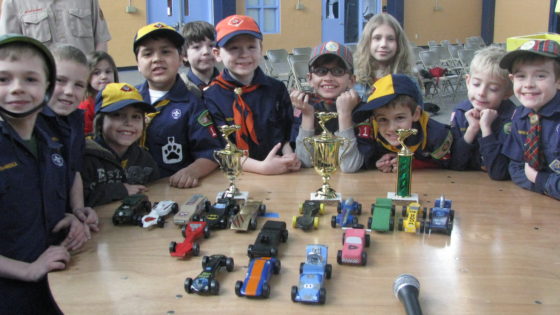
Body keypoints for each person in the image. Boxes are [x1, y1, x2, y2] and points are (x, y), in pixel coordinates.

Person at [0, 34, 86, 314]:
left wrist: (71, 217)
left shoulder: (50, 143)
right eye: (3, 79)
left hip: (52, 287)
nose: (16, 89)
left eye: (30, 79)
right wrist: (27, 270)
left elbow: (43, 199)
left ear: (46, 87)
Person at [204, 14, 301, 175]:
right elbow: (219, 148)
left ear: (261, 49)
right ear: (217, 54)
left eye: (251, 47)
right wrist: (261, 168)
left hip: (279, 170)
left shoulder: (276, 88)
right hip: (234, 175)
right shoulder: (211, 96)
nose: (244, 54)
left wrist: (289, 156)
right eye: (234, 48)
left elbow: (285, 130)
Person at [133, 22, 222, 188]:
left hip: (172, 187)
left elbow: (211, 151)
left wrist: (191, 171)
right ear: (137, 63)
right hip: (129, 188)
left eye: (165, 52)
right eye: (147, 53)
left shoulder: (192, 103)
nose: (157, 59)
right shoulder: (129, 101)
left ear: (181, 58)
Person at [41, 44, 99, 234]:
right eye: (60, 81)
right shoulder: (31, 123)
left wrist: (78, 211)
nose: (69, 91)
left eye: (78, 85)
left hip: (65, 223)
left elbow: (74, 171)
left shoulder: (75, 120)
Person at [353, 74, 453, 172]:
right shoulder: (372, 131)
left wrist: (415, 164)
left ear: (415, 114)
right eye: (383, 119)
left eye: (400, 117)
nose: (391, 128)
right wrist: (379, 162)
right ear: (373, 118)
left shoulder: (436, 135)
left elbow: (451, 165)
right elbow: (366, 160)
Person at [500, 39, 560, 200]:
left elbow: (529, 174)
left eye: (540, 76)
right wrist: (543, 187)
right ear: (512, 80)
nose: (528, 84)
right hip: (540, 202)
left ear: (558, 80)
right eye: (521, 76)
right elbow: (516, 168)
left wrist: (538, 179)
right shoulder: (520, 116)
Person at [82, 82, 159, 207]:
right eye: (117, 115)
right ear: (100, 121)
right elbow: (79, 200)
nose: (128, 123)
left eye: (136, 116)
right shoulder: (87, 156)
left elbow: (155, 192)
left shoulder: (144, 158)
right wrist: (120, 190)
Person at [291, 41, 363, 172]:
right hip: (310, 185)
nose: (328, 78)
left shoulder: (362, 111)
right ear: (310, 79)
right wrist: (307, 115)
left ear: (352, 80)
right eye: (320, 71)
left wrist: (345, 115)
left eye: (338, 71)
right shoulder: (304, 106)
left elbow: (349, 166)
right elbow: (304, 161)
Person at [449, 45, 515, 180]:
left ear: (508, 93)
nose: (481, 93)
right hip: (466, 184)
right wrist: (472, 130)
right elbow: (455, 164)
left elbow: (499, 173)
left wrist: (486, 129)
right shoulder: (460, 113)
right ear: (468, 81)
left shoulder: (513, 119)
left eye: (493, 89)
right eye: (476, 84)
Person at [0, 0, 111, 54]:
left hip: (84, 85)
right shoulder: (13, 3)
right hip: (44, 87)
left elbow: (100, 40)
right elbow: (8, 51)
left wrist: (96, 75)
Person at [353, 13, 417, 100]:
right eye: (377, 38)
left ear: (399, 44)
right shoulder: (355, 80)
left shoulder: (410, 81)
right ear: (367, 42)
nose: (383, 44)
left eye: (390, 39)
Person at [78, 51, 119, 135]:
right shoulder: (85, 106)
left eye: (108, 72)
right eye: (97, 73)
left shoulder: (121, 99)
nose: (104, 77)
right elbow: (86, 136)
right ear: (87, 76)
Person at [179, 21, 220, 98]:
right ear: (184, 55)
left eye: (211, 45)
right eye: (197, 47)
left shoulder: (229, 84)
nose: (206, 52)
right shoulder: (180, 88)